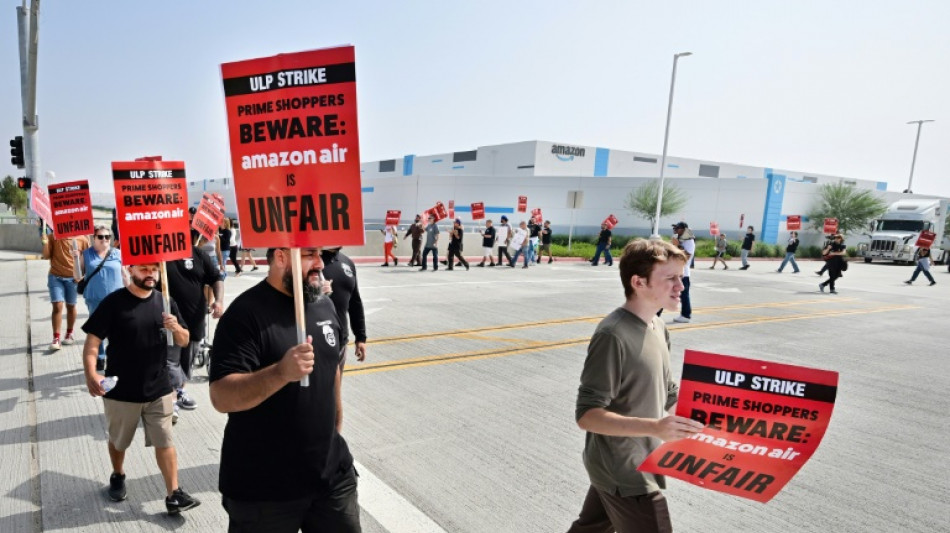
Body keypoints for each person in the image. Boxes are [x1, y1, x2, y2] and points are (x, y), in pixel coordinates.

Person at [209, 247, 361, 532]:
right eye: (310, 255)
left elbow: (332, 372)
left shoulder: (323, 304)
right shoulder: (244, 315)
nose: (320, 264)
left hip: (331, 480)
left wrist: (334, 432)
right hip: (264, 493)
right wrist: (281, 372)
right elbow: (221, 396)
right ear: (281, 257)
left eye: (321, 256)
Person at [567, 239, 704, 533]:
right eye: (670, 278)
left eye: (681, 277)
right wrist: (655, 427)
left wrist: (701, 425)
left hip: (638, 458)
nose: (681, 286)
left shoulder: (658, 326)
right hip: (624, 467)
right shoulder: (613, 335)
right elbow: (587, 415)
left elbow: (668, 394)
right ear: (638, 282)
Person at [80, 262, 201, 514]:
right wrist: (91, 373)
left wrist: (176, 327)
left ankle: (173, 494)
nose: (150, 274)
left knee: (165, 441)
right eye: (144, 269)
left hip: (159, 388)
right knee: (119, 442)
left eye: (154, 269)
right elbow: (93, 341)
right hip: (122, 390)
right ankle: (118, 474)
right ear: (131, 270)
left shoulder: (165, 301)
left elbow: (185, 339)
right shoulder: (114, 303)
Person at [163, 246, 225, 422]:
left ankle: (180, 390)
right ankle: (171, 399)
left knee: (186, 361)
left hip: (195, 319)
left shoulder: (198, 254)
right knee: (171, 361)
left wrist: (219, 301)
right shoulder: (161, 254)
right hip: (168, 319)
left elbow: (216, 278)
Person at [75, 225, 128, 371]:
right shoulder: (86, 254)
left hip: (117, 299)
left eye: (107, 237)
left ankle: (115, 357)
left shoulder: (117, 253)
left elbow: (124, 275)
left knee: (117, 330)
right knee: (98, 331)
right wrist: (75, 257)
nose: (104, 240)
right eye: (100, 237)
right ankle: (101, 357)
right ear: (94, 238)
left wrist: (130, 293)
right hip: (95, 299)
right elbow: (77, 276)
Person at [42, 230, 90, 351]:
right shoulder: (53, 236)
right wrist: (45, 242)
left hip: (73, 279)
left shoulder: (83, 239)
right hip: (55, 277)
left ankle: (69, 333)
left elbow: (88, 260)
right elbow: (46, 256)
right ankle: (56, 338)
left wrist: (82, 275)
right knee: (57, 305)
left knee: (71, 306)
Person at [321, 247, 368, 367]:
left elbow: (355, 302)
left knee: (336, 385)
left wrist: (360, 337)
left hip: (340, 342)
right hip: (316, 342)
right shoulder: (311, 262)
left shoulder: (347, 263)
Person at [671, 222, 695, 324]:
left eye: (677, 228)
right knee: (666, 292)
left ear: (684, 229)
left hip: (683, 273)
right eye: (675, 228)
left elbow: (687, 256)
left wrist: (678, 245)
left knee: (684, 295)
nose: (675, 230)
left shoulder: (689, 242)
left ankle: (686, 315)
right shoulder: (681, 240)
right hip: (676, 272)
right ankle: (685, 315)